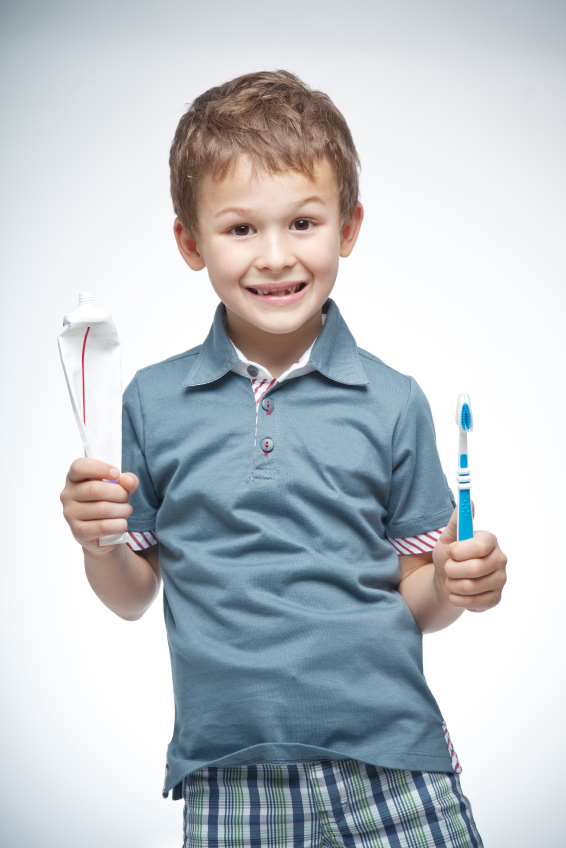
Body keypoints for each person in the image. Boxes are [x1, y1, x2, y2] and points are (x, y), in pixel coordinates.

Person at [60, 70, 507, 847]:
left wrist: (454, 582)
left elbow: (417, 599)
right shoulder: (150, 403)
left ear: (349, 228)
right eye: (240, 230)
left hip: (393, 761)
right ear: (190, 243)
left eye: (303, 223)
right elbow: (131, 594)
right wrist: (98, 539)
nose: (274, 256)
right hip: (228, 770)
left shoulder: (395, 401)